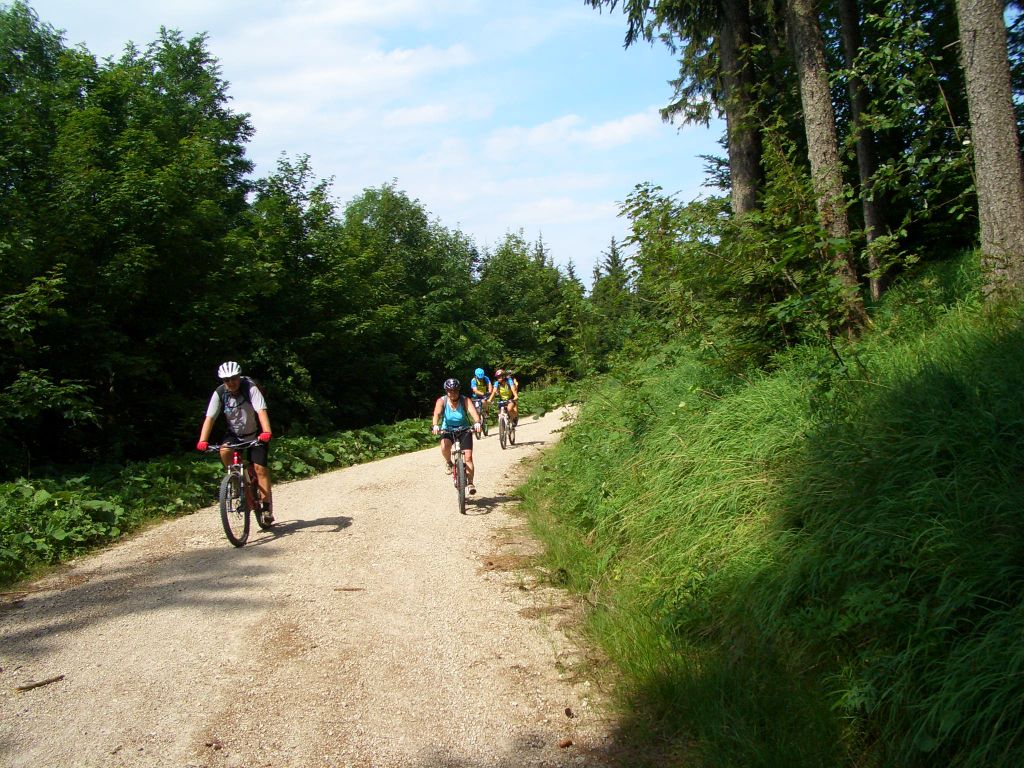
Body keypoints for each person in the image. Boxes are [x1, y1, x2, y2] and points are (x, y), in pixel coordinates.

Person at [196, 361, 275, 522]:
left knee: (260, 469)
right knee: (224, 450)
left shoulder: (250, 388)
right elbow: (210, 418)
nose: (231, 382)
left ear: (239, 377)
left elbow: (261, 411)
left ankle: (266, 509)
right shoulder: (220, 393)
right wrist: (202, 440)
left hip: (256, 434)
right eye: (227, 380)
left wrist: (266, 431)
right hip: (235, 434)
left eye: (234, 378)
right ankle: (235, 480)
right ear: (223, 381)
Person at [431, 378, 482, 495]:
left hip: (464, 430)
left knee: (468, 457)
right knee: (444, 447)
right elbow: (436, 414)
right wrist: (435, 425)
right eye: (450, 391)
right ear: (446, 391)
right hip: (447, 429)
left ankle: (470, 483)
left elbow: (473, 413)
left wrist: (477, 422)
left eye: (455, 390)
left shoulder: (465, 400)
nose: (452, 393)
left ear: (458, 390)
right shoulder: (442, 401)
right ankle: (449, 462)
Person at [469, 367, 492, 432]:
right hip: (476, 396)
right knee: (476, 410)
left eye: (481, 377)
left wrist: (489, 392)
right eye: (479, 378)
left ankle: (486, 412)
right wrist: (483, 394)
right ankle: (477, 420)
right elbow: (475, 390)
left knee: (484, 401)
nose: (481, 379)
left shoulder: (486, 378)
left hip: (484, 396)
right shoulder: (473, 380)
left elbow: (490, 385)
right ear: (476, 376)